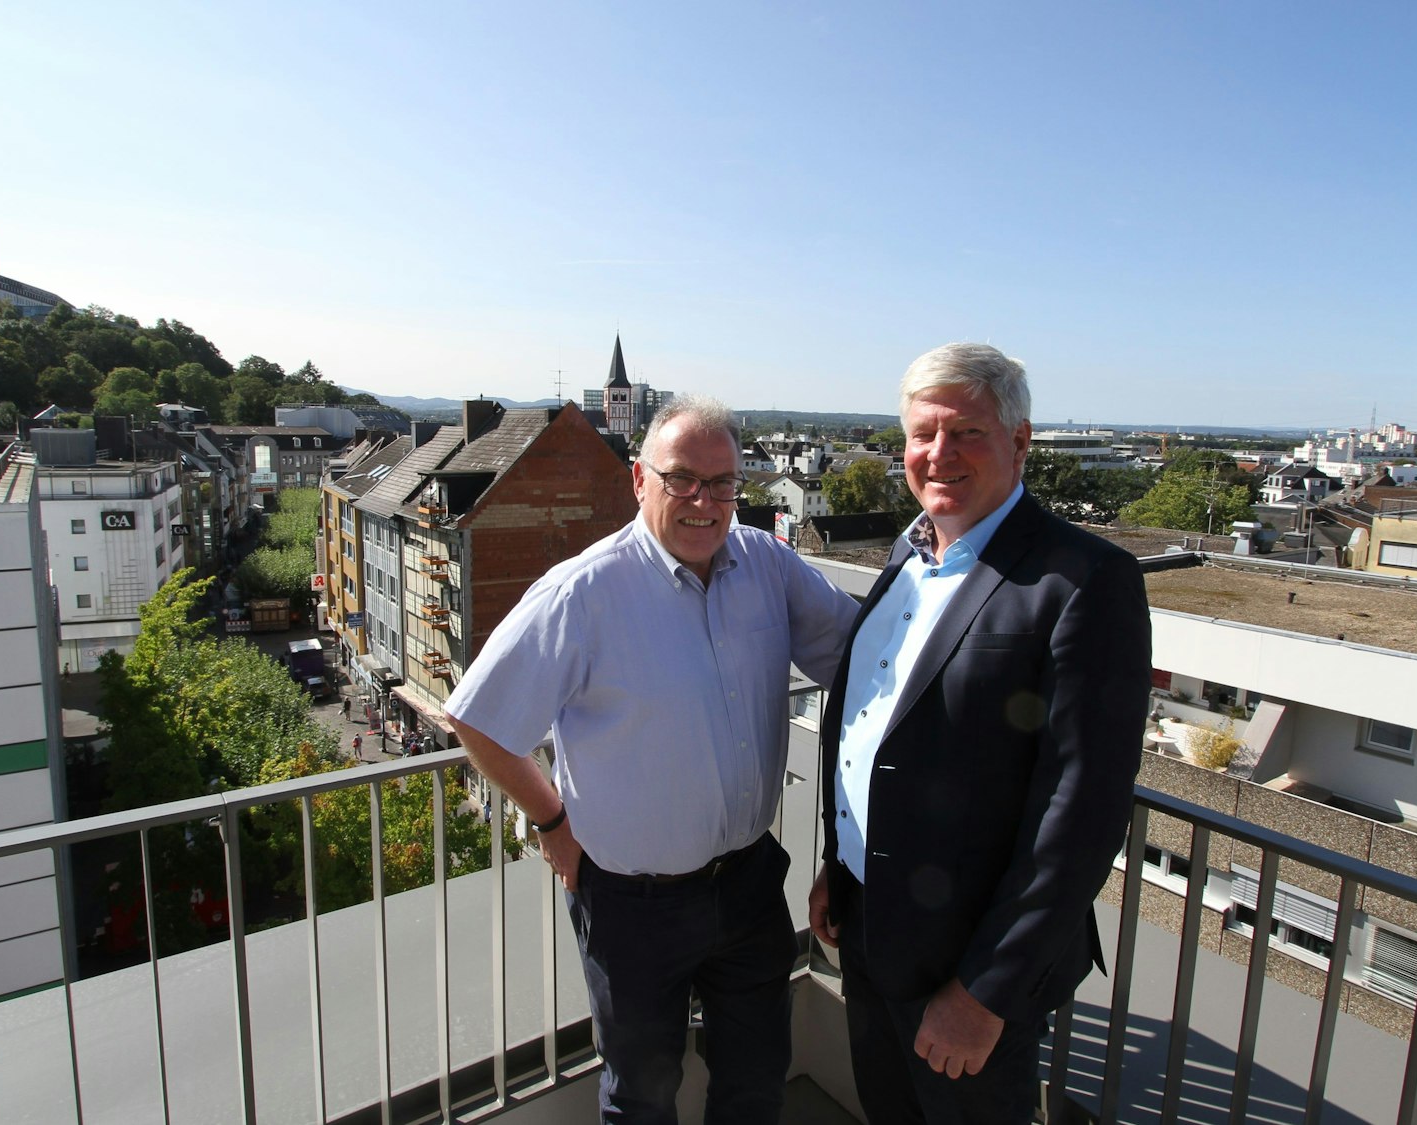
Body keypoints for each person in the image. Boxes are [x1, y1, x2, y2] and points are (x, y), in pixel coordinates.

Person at [447, 394, 859, 1125]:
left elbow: (861, 662)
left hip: (750, 885)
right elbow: (478, 717)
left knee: (757, 1079)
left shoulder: (767, 563)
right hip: (633, 906)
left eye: (724, 482)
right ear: (639, 480)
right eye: (681, 479)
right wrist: (550, 819)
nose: (705, 500)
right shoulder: (585, 592)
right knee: (641, 1094)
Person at [808, 343, 1150, 1123]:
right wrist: (840, 864)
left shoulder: (1084, 580)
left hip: (964, 967)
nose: (939, 454)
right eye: (923, 434)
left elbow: (1082, 810)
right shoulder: (909, 550)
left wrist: (986, 990)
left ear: (1020, 440)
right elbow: (873, 724)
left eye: (966, 432)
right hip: (870, 932)